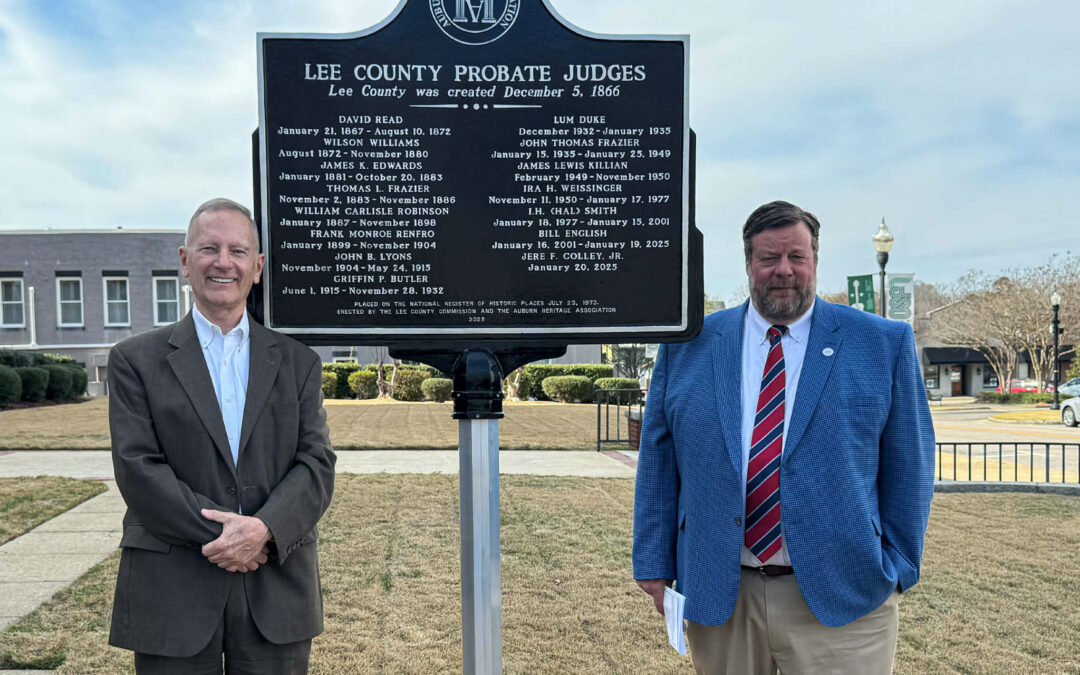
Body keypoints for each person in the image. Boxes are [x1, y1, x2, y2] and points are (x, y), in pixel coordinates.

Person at [633, 200, 935, 674]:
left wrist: (897, 566)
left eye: (797, 256)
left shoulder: (882, 343)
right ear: (748, 263)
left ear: (815, 258)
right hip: (721, 592)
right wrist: (653, 563)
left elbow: (910, 465)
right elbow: (658, 461)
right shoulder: (688, 346)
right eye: (769, 258)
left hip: (844, 595)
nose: (784, 271)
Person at [108, 198, 336, 674]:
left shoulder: (299, 363)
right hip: (173, 586)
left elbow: (315, 464)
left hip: (276, 587)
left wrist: (263, 531)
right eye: (209, 248)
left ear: (257, 268)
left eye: (237, 250)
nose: (223, 262)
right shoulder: (135, 361)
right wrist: (230, 538)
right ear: (185, 261)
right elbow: (138, 469)